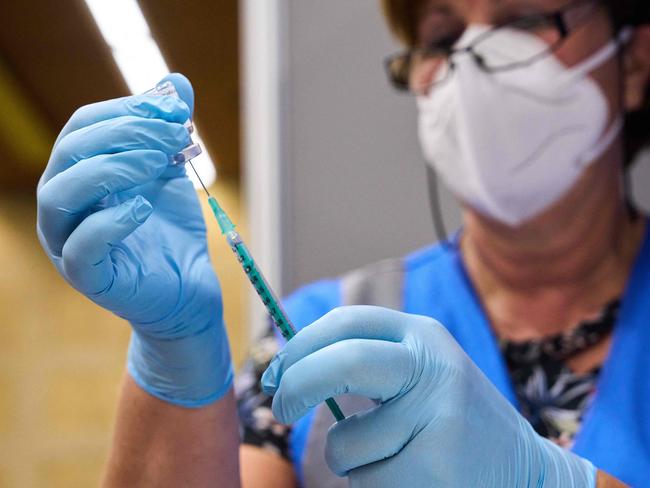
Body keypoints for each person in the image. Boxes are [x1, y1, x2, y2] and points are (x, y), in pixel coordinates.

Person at [35, 0, 650, 486]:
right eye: (441, 37)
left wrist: (547, 482)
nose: (473, 60)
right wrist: (172, 359)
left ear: (635, 63)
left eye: (524, 18)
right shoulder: (312, 332)